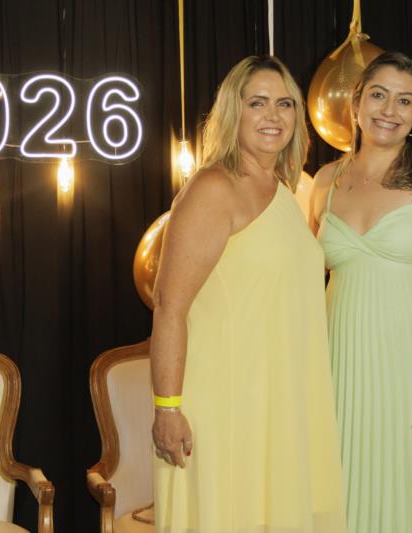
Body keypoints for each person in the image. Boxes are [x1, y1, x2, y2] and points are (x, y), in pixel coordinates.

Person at [150, 55, 347, 532]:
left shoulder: (283, 190)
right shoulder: (214, 187)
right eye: (257, 102)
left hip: (278, 398)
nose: (273, 115)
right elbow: (169, 306)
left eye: (284, 104)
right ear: (232, 112)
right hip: (226, 398)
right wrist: (167, 407)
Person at [308, 51, 412, 532]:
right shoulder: (324, 182)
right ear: (356, 103)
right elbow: (301, 282)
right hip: (341, 371)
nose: (389, 110)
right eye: (379, 95)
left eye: (404, 101)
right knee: (348, 497)